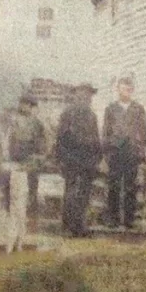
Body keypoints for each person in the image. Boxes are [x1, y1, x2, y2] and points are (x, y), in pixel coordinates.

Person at [55, 84, 102, 237]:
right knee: (71, 193)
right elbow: (61, 139)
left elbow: (96, 139)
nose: (86, 98)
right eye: (83, 95)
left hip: (87, 161)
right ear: (76, 96)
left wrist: (97, 158)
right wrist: (63, 159)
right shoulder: (67, 114)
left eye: (89, 96)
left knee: (84, 194)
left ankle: (80, 226)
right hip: (71, 159)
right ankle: (68, 226)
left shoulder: (92, 116)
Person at [102, 75, 146, 229]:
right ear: (118, 90)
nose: (126, 92)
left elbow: (143, 131)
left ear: (132, 90)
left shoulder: (138, 109)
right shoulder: (111, 109)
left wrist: (141, 150)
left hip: (131, 153)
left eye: (129, 89)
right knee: (113, 185)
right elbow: (106, 132)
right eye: (123, 89)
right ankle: (113, 218)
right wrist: (107, 152)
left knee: (130, 186)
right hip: (115, 151)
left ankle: (129, 219)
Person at [7, 94, 47, 219]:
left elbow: (41, 142)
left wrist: (39, 156)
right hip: (17, 158)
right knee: (16, 186)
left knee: (32, 186)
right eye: (22, 103)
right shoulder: (14, 120)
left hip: (31, 158)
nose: (23, 106)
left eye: (26, 104)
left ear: (31, 107)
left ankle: (31, 211)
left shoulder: (37, 123)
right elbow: (11, 140)